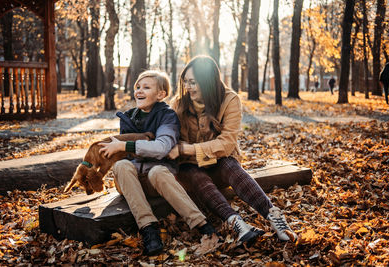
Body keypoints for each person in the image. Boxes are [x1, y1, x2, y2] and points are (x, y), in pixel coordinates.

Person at [169, 55, 297, 247]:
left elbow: (227, 143)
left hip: (219, 162)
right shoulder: (178, 104)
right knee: (195, 174)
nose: (188, 87)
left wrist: (187, 148)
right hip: (188, 167)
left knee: (230, 164)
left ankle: (274, 216)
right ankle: (236, 223)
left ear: (207, 81)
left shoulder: (229, 99)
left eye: (193, 82)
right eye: (185, 81)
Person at [99, 70, 215, 256]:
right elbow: (122, 156)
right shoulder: (129, 117)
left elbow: (162, 147)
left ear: (161, 94)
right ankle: (149, 229)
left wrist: (125, 145)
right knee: (121, 166)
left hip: (156, 180)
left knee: (158, 172)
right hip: (130, 181)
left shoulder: (167, 116)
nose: (139, 91)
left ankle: (202, 224)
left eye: (146, 87)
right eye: (137, 87)